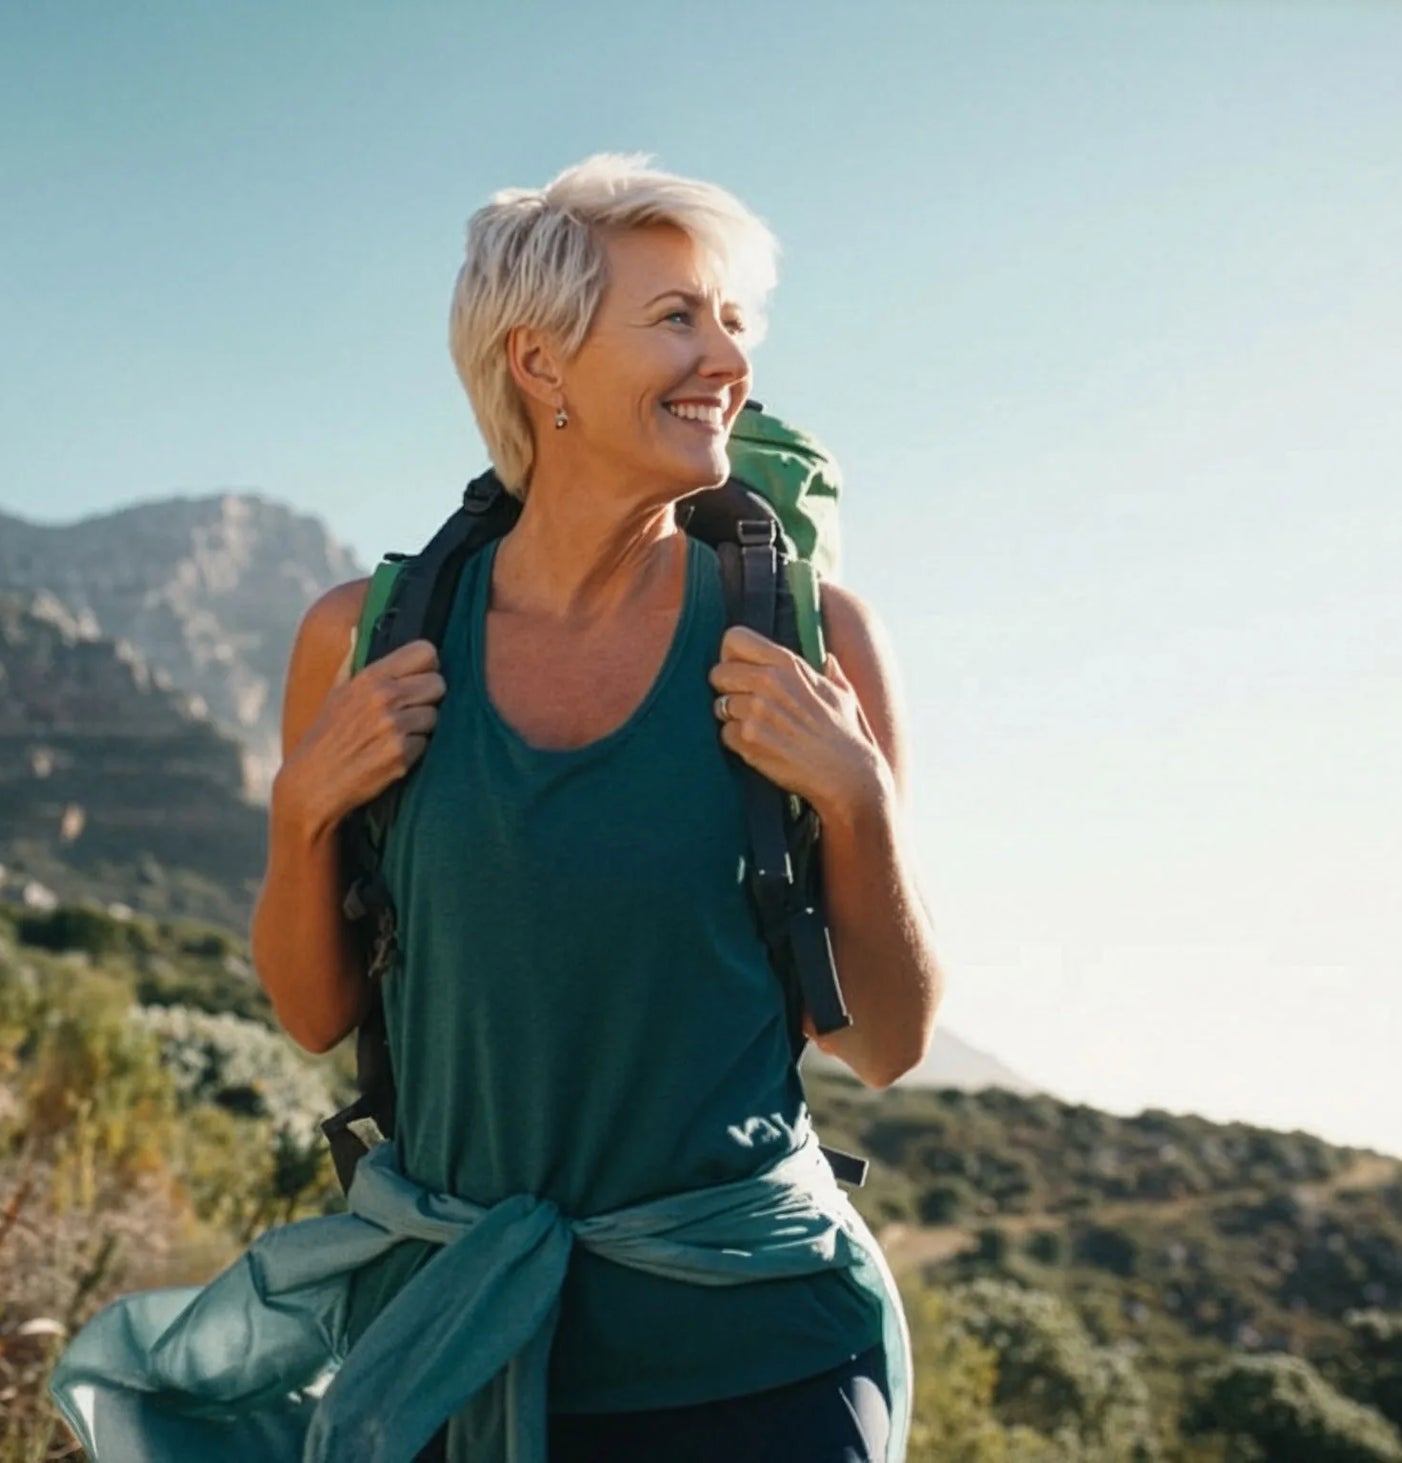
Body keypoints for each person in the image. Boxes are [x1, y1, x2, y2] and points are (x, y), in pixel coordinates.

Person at [46, 152, 946, 1463]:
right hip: (450, 1354)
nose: (727, 361)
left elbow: (890, 1041)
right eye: (677, 318)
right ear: (540, 364)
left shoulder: (814, 643)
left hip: (756, 1358)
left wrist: (858, 799)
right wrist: (302, 812)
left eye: (735, 322)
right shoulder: (365, 641)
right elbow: (313, 1012)